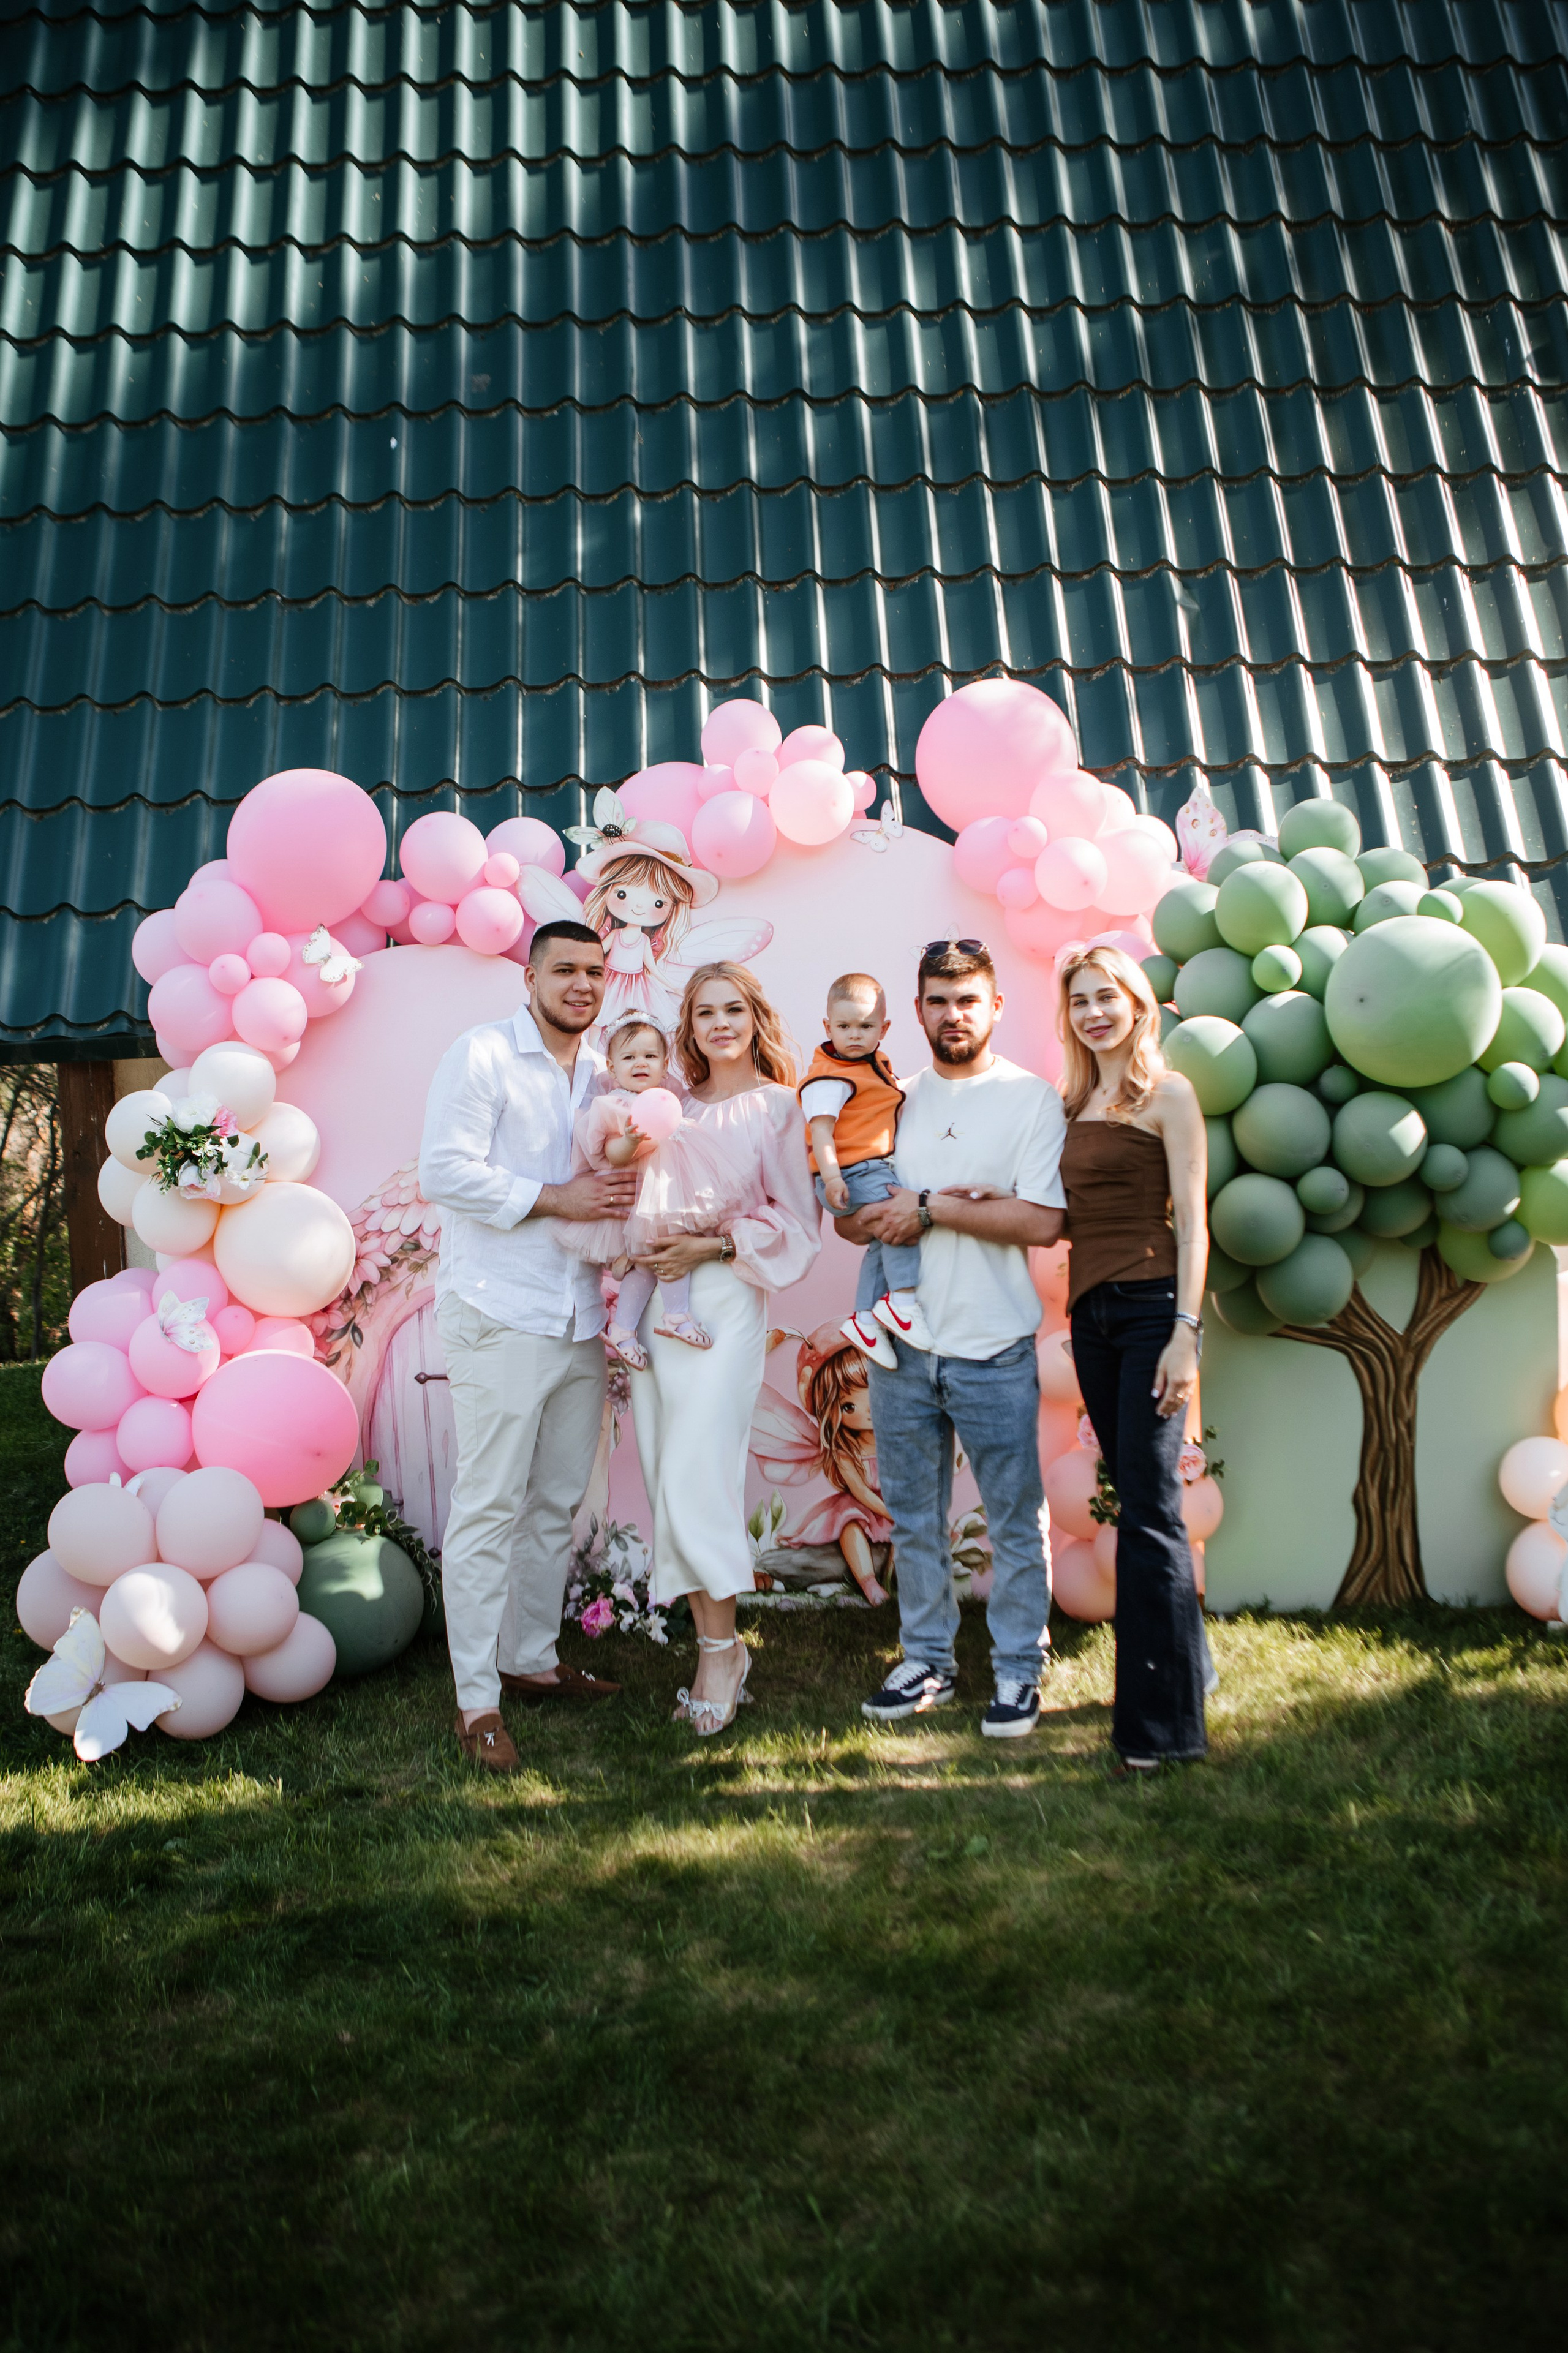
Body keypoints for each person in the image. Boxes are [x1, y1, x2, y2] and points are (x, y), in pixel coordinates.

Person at [418, 919, 636, 1774]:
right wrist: (559, 1198)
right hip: (499, 1311)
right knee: (489, 1507)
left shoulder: (602, 1077)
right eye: (565, 969)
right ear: (531, 976)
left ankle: (533, 1658)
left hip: (577, 1314)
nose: (582, 984)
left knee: (554, 1503)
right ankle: (477, 1700)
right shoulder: (480, 1055)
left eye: (594, 971)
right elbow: (445, 1171)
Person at [840, 940, 1066, 1739]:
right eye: (938, 1000)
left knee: (1013, 1515)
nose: (953, 1015)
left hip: (994, 1345)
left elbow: (1042, 1219)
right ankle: (927, 1656)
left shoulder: (1031, 1100)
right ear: (917, 1008)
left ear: (996, 1005)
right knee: (913, 1517)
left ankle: (1017, 1668)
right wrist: (896, 1205)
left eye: (968, 999)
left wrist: (931, 1205)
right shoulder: (890, 1099)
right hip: (901, 1351)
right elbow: (848, 1219)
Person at [627, 962, 820, 1734]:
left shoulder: (776, 1107)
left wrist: (707, 1249)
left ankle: (719, 1652)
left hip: (724, 1299)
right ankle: (717, 1641)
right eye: (704, 1012)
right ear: (690, 1025)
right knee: (664, 1470)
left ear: (753, 1016)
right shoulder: (665, 1105)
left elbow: (799, 1224)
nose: (719, 1023)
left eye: (732, 1008)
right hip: (658, 1307)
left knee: (697, 1471)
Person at [1058, 943, 1210, 1774]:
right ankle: (1191, 1670)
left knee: (1149, 1512)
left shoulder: (1170, 1094)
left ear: (1136, 1002)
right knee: (1138, 1499)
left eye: (1107, 996)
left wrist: (1188, 1330)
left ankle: (1159, 1731)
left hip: (1156, 1312)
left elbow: (1194, 1220)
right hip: (1094, 1318)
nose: (1095, 1012)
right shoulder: (1076, 1102)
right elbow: (1061, 1216)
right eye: (1081, 1000)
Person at [557, 1012, 756, 1363]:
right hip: (639, 1200)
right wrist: (631, 1140)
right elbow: (610, 1155)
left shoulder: (666, 1099)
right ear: (612, 1067)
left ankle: (623, 1328)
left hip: (662, 1194)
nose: (640, 1064)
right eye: (629, 1057)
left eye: (649, 1057)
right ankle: (675, 1315)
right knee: (656, 1255)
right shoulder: (614, 1105)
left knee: (650, 1262)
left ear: (665, 1065)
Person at [798, 973, 930, 1360]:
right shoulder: (829, 1076)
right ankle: (904, 1301)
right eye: (844, 1027)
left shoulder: (875, 1066)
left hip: (870, 1167)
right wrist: (833, 1176)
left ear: (883, 1028)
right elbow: (821, 1132)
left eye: (865, 1026)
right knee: (900, 1218)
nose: (854, 1035)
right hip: (850, 1173)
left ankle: (864, 1318)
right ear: (828, 1027)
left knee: (880, 1238)